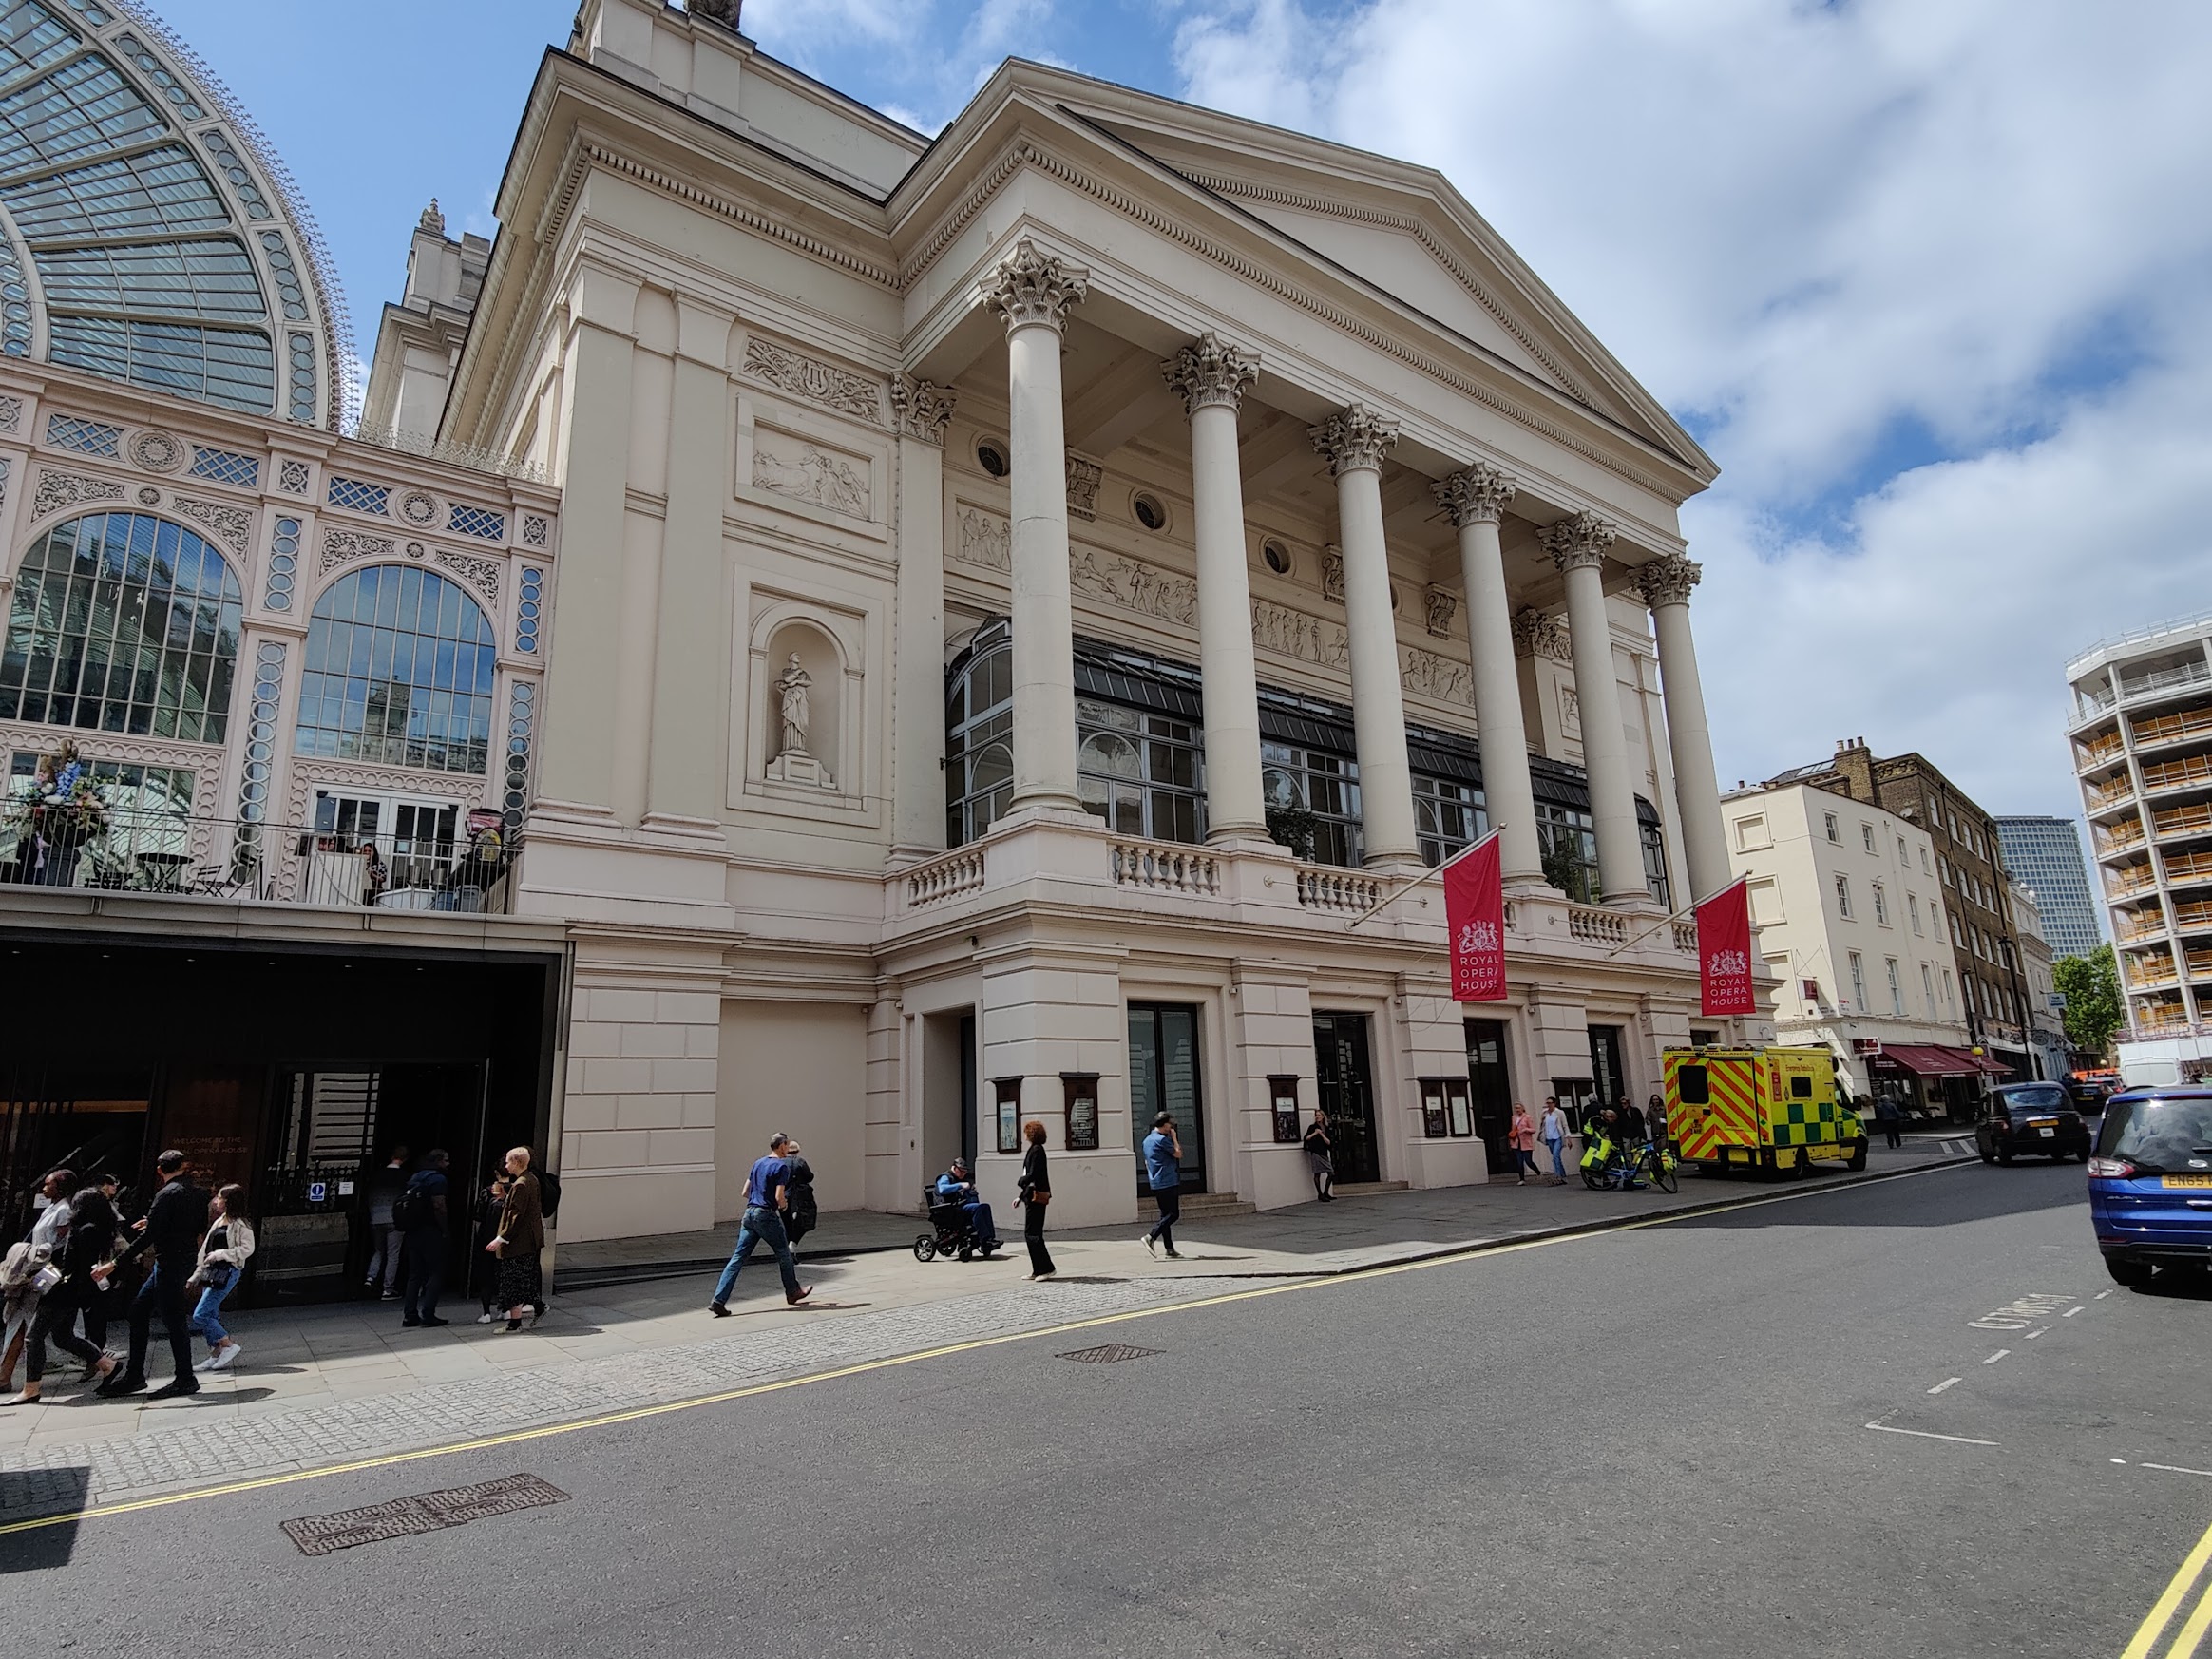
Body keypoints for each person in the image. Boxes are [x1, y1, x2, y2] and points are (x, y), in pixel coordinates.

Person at [97, 1150, 204, 1400]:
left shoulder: (165, 1194)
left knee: (174, 1319)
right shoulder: (198, 1193)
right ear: (183, 1165)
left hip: (168, 1263)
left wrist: (114, 1263)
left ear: (159, 1170)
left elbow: (150, 1237)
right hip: (182, 1259)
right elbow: (194, 1227)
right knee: (139, 1311)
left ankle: (185, 1377)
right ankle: (137, 1375)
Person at [4, 1184, 120, 1404]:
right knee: (63, 1337)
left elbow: (68, 1266)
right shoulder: (96, 1230)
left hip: (62, 1291)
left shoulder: (83, 1231)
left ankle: (31, 1388)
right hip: (72, 1291)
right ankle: (108, 1365)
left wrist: (38, 1281)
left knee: (33, 1337)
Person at [708, 1133, 812, 1315]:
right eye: (787, 1146)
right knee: (784, 1254)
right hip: (766, 1215)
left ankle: (719, 1299)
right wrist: (784, 1205)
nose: (788, 1149)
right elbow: (779, 1196)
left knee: (738, 1258)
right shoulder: (781, 1167)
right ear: (782, 1146)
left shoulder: (758, 1163)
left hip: (749, 1214)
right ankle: (793, 1291)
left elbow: (745, 1191)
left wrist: (758, 1200)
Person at [0, 1168, 74, 1390]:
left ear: (59, 1187)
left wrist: (36, 1254)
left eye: (48, 1184)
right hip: (33, 1268)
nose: (43, 1187)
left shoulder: (64, 1210)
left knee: (30, 1316)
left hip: (48, 1271)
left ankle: (5, 1376)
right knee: (23, 1315)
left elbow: (60, 1244)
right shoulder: (52, 1207)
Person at [188, 1184, 256, 1373]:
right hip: (212, 1271)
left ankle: (227, 1344)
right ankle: (215, 1352)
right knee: (210, 1314)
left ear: (229, 1202)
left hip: (228, 1271)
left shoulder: (241, 1225)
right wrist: (197, 1274)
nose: (216, 1201)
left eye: (220, 1197)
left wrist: (223, 1254)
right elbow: (205, 1250)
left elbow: (247, 1249)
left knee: (201, 1314)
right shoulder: (220, 1222)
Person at [485, 1147, 544, 1333]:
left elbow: (516, 1215)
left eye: (508, 1161)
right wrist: (507, 1195)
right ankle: (537, 1306)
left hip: (519, 1242)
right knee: (522, 1277)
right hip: (529, 1240)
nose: (506, 1165)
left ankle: (515, 1323)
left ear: (517, 1163)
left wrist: (501, 1238)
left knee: (513, 1280)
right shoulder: (529, 1180)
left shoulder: (521, 1184)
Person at [399, 1149, 452, 1327]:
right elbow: (439, 1206)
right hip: (431, 1231)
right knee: (436, 1272)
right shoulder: (438, 1179)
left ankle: (409, 1314)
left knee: (415, 1274)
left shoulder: (415, 1178)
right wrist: (445, 1229)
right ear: (438, 1161)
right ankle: (428, 1313)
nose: (448, 1164)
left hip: (413, 1231)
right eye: (445, 1160)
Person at [365, 1144, 410, 1300]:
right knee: (393, 1254)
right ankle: (388, 1289)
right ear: (404, 1159)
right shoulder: (404, 1177)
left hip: (376, 1217)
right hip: (394, 1220)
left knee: (378, 1250)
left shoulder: (377, 1175)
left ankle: (370, 1278)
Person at [1141, 1112, 1183, 1260]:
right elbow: (1178, 1154)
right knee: (1173, 1214)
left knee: (1165, 1215)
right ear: (1164, 1125)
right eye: (1169, 1124)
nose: (1171, 1126)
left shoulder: (1147, 1140)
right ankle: (1151, 1236)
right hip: (1168, 1180)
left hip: (1156, 1181)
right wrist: (1174, 1139)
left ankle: (1169, 1248)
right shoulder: (1163, 1140)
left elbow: (1147, 1162)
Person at [1017, 1119, 1056, 1280]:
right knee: (1031, 1233)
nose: (1024, 1135)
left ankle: (1046, 1268)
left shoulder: (1037, 1151)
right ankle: (1037, 1269)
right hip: (1030, 1195)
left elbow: (1033, 1174)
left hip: (1036, 1196)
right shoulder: (1034, 1150)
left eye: (1026, 1132)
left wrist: (1022, 1181)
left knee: (1033, 1234)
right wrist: (1019, 1197)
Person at [934, 1157, 999, 1249]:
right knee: (977, 1208)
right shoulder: (945, 1177)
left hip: (958, 1207)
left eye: (965, 1172)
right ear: (954, 1168)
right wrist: (960, 1185)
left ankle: (990, 1238)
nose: (964, 1174)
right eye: (962, 1171)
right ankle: (984, 1240)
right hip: (948, 1209)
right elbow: (942, 1189)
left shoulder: (959, 1178)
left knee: (985, 1206)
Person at [469, 1171, 508, 1325]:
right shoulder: (515, 1191)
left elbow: (478, 1217)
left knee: (486, 1275)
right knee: (503, 1274)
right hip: (506, 1241)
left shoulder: (486, 1193)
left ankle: (486, 1312)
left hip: (487, 1240)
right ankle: (505, 1309)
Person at [782, 1140, 819, 1249]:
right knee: (805, 1221)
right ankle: (793, 1243)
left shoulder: (780, 1162)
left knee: (787, 1223)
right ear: (797, 1150)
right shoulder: (800, 1162)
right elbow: (810, 1177)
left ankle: (787, 1247)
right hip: (801, 1197)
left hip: (785, 1196)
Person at [1302, 1108, 1335, 1202]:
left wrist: (1321, 1134)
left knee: (1331, 1173)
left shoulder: (1326, 1128)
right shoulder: (1312, 1127)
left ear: (1323, 1116)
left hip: (1324, 1153)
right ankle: (1320, 1194)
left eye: (1319, 1115)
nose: (1317, 1117)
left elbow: (1329, 1142)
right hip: (1316, 1152)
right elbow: (1306, 1138)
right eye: (1316, 1115)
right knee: (1317, 1173)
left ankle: (1325, 1193)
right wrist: (1315, 1133)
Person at [1539, 1097, 1570, 1185]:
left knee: (1556, 1155)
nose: (1548, 1105)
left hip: (1558, 1137)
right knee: (1556, 1157)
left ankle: (1557, 1176)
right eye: (1547, 1103)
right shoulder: (1544, 1113)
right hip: (1549, 1138)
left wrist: (1568, 1136)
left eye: (1550, 1103)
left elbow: (1565, 1125)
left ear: (1554, 1103)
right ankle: (1563, 1175)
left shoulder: (1559, 1113)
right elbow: (1543, 1125)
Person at [1507, 1103, 1540, 1185]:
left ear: (1522, 1108)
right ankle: (1522, 1179)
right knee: (1519, 1161)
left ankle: (1538, 1172)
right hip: (1516, 1142)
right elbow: (1513, 1129)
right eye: (1516, 1108)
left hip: (1526, 1142)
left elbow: (1533, 1129)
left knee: (1528, 1161)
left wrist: (1525, 1129)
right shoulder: (1514, 1118)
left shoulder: (1527, 1117)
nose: (1517, 1110)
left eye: (1519, 1108)